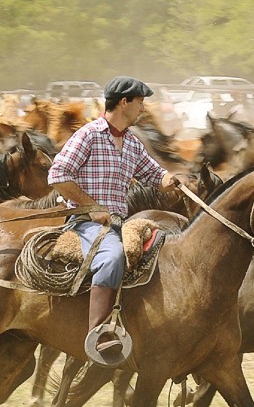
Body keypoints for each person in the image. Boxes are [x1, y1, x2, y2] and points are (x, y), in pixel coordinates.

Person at [47, 76, 180, 355]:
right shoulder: (89, 134)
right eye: (140, 102)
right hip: (85, 223)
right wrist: (92, 207)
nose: (143, 108)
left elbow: (154, 174)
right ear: (124, 102)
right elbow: (58, 175)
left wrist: (172, 179)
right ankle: (98, 334)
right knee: (112, 256)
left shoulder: (131, 143)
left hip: (118, 224)